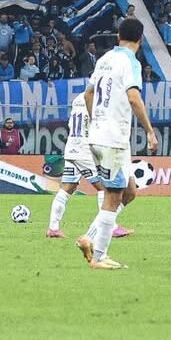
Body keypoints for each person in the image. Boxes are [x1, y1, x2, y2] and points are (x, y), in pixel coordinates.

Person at [77, 18, 157, 270]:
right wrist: (150, 131)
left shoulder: (104, 59)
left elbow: (89, 93)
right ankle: (99, 256)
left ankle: (89, 237)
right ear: (141, 39)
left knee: (129, 191)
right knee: (113, 196)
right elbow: (134, 98)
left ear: (118, 36)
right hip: (112, 138)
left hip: (103, 135)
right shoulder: (130, 62)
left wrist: (95, 119)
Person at [47, 92, 135, 239]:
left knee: (68, 187)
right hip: (84, 149)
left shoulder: (78, 99)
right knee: (105, 188)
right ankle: (109, 227)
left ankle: (53, 228)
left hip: (72, 146)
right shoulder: (97, 99)